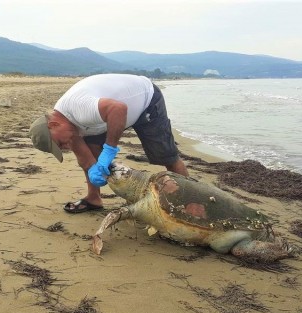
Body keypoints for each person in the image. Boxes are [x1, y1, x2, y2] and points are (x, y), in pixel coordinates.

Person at [29, 73, 189, 213]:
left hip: (146, 100)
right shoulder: (67, 126)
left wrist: (109, 149)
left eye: (59, 143)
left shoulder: (80, 108)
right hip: (109, 114)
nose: (64, 147)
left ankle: (187, 202)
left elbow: (118, 109)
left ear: (54, 125)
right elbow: (85, 159)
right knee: (91, 149)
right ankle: (94, 198)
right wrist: (94, 171)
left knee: (166, 156)